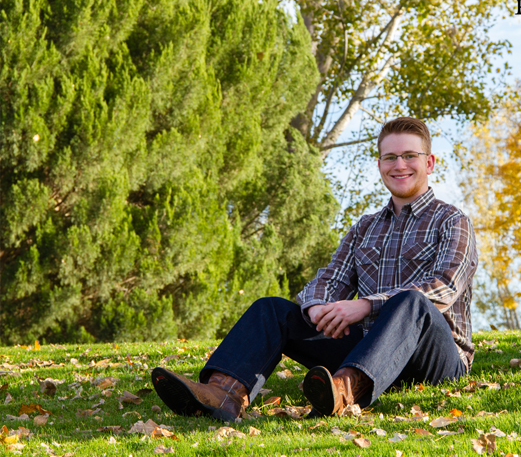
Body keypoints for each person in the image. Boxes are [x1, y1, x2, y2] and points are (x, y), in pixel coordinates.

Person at [151, 117, 478, 420]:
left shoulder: (452, 221)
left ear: (429, 163)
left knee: (412, 302)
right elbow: (328, 280)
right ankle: (222, 394)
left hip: (433, 360)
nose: (399, 164)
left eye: (410, 155)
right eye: (390, 157)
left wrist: (365, 304)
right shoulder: (364, 228)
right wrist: (320, 307)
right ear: (379, 165)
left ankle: (344, 392)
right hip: (367, 355)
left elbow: (445, 287)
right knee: (273, 310)